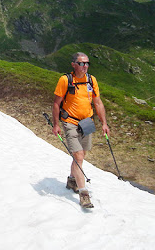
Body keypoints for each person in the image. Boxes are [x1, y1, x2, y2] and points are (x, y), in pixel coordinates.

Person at [51, 52, 110, 208]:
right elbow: (56, 103)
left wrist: (104, 123)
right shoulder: (65, 80)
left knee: (81, 155)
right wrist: (56, 125)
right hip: (70, 121)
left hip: (87, 122)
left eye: (87, 63)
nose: (85, 66)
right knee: (78, 156)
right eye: (81, 63)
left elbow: (98, 103)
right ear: (73, 64)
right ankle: (84, 194)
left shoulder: (91, 80)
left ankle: (72, 180)